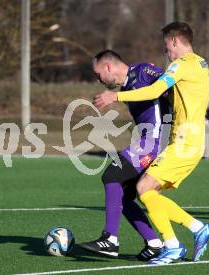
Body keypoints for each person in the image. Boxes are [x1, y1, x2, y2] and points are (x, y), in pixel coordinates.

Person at [93, 22, 209, 265]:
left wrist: (116, 96)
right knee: (148, 193)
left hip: (184, 142)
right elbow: (182, 95)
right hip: (188, 141)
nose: (166, 52)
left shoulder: (180, 65)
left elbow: (155, 90)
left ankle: (172, 245)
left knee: (144, 189)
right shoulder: (201, 64)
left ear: (175, 42)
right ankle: (197, 228)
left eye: (166, 46)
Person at [79, 49, 169, 261]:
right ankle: (154, 243)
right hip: (146, 141)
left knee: (112, 175)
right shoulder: (127, 86)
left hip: (155, 142)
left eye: (97, 74)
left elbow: (169, 82)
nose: (98, 79)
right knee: (124, 196)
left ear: (108, 67)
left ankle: (110, 239)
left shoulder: (144, 71)